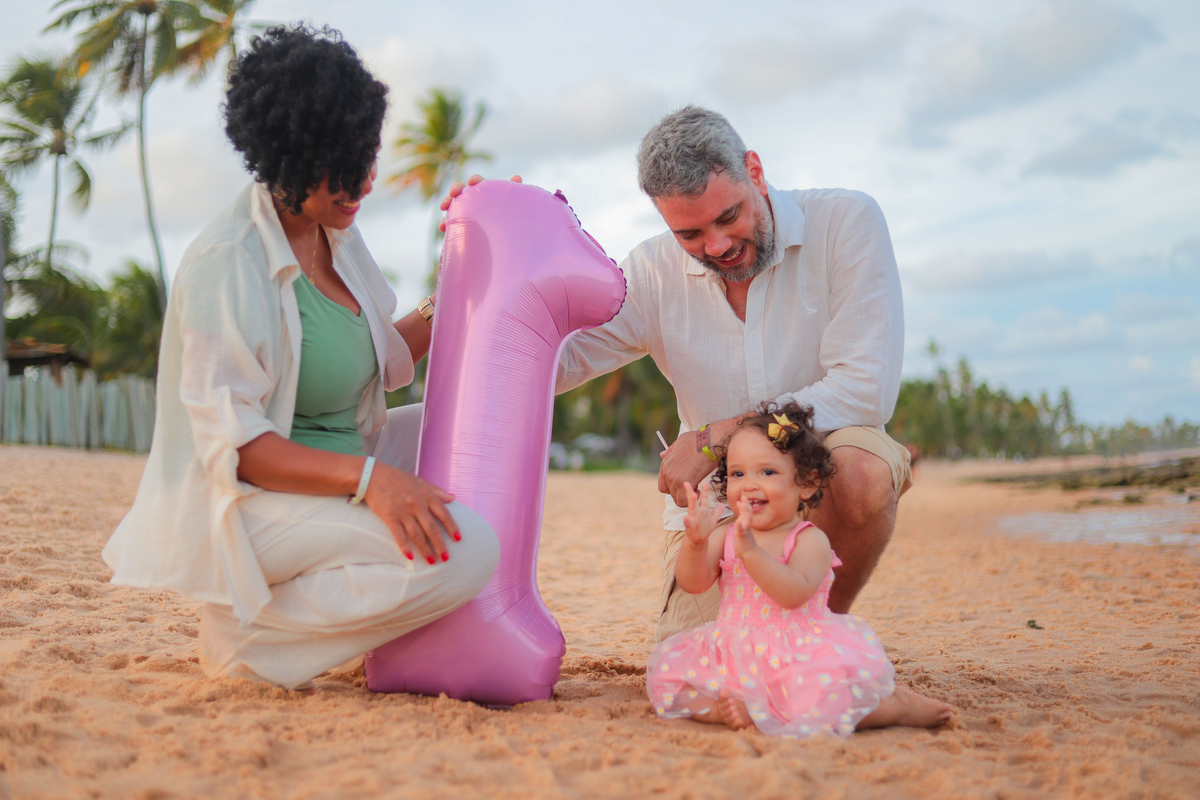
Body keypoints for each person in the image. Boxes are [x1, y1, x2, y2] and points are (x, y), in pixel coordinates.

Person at [101, 25, 499, 691]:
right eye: (338, 169)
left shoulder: (331, 230)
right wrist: (374, 481)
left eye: (365, 159)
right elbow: (239, 447)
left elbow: (379, 353)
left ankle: (295, 618)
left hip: (343, 456)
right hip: (260, 503)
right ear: (281, 156)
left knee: (470, 424)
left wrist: (457, 280)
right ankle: (253, 631)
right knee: (468, 551)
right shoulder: (228, 263)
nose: (362, 184)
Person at [552, 106, 912, 642]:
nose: (716, 246)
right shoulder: (650, 272)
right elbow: (556, 362)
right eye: (690, 233)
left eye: (729, 217)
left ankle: (817, 637)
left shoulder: (845, 221)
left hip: (821, 469)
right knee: (698, 675)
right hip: (720, 507)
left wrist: (718, 436)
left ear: (756, 172)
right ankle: (783, 643)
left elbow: (865, 392)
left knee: (863, 471)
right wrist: (493, 263)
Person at [645, 402, 952, 736]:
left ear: (806, 483)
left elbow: (793, 594)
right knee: (674, 687)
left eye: (767, 472)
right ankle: (731, 708)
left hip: (796, 654)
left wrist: (751, 554)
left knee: (823, 701)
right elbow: (693, 582)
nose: (749, 485)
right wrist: (695, 543)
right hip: (735, 647)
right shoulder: (726, 535)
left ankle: (895, 708)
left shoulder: (808, 540)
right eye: (737, 473)